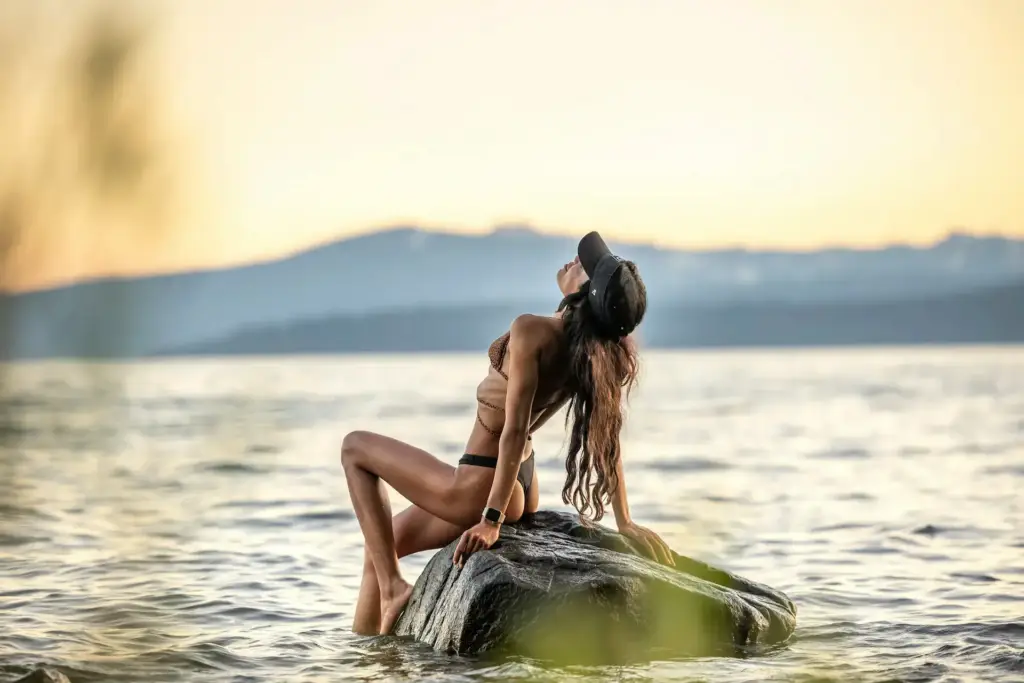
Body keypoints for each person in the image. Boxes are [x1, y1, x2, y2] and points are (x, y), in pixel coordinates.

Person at [340, 230, 675, 636]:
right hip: (519, 481)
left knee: (354, 448)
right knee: (383, 544)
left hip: (483, 482)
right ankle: (368, 660)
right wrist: (624, 521)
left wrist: (491, 520)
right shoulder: (601, 351)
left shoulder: (532, 331)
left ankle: (393, 592)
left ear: (584, 296)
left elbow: (514, 430)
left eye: (584, 268)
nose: (574, 261)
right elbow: (608, 441)